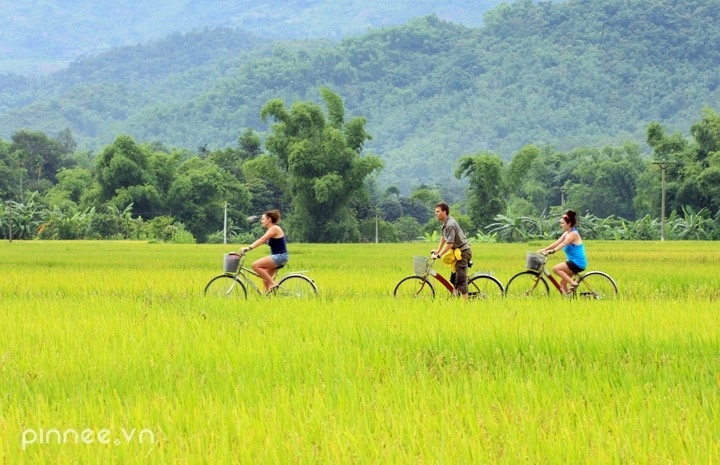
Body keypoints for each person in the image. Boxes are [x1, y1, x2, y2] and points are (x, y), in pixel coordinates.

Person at [539, 210, 587, 294]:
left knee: (556, 269)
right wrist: (545, 249)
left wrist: (552, 251)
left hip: (577, 263)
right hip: (573, 262)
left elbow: (564, 243)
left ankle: (573, 283)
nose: (561, 225)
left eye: (563, 223)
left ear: (569, 224)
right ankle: (568, 301)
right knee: (562, 284)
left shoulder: (573, 234)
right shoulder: (566, 233)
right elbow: (558, 242)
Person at [431, 202, 472, 299]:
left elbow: (450, 244)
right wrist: (438, 250)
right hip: (457, 253)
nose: (435, 214)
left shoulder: (450, 224)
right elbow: (444, 237)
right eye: (435, 212)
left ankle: (465, 305)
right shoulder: (445, 223)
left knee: (461, 280)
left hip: (463, 253)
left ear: (444, 212)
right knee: (453, 279)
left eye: (438, 211)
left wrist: (439, 255)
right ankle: (457, 298)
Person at [240, 209, 288, 293]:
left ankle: (273, 284)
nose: (261, 221)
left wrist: (249, 248)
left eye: (263, 219)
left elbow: (262, 240)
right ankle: (269, 299)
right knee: (265, 279)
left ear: (269, 219)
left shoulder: (274, 228)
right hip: (278, 257)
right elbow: (262, 242)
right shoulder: (271, 230)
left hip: (279, 256)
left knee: (255, 265)